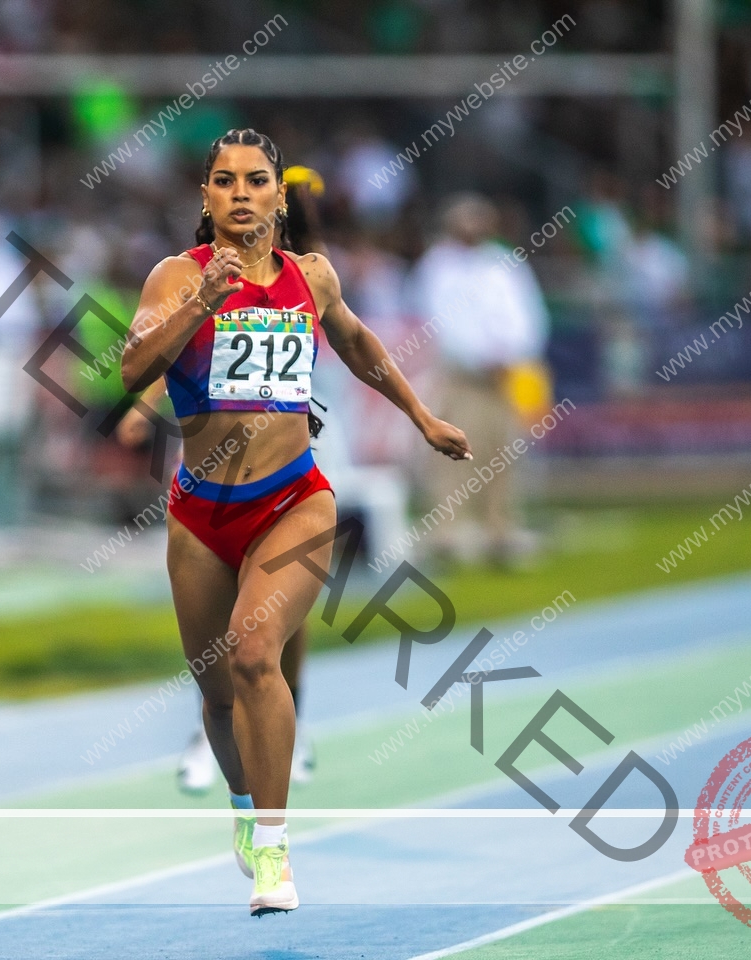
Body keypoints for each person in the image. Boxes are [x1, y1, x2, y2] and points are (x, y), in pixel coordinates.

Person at [121, 130, 470, 916]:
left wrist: (422, 418)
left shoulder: (311, 276)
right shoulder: (174, 276)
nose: (240, 193)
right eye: (223, 181)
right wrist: (200, 305)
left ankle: (275, 853)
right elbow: (133, 368)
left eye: (255, 181)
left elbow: (356, 343)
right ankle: (245, 808)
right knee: (215, 695)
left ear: (281, 196)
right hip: (200, 515)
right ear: (204, 199)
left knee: (253, 656)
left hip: (293, 498)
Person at [119, 168, 331, 795]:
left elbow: (345, 340)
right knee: (222, 654)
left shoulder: (310, 275)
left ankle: (290, 719)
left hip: (291, 461)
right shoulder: (199, 275)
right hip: (214, 480)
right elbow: (189, 352)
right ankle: (216, 726)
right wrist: (144, 404)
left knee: (269, 629)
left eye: (264, 192)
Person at [411, 194, 549, 566]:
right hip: (463, 377)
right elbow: (443, 321)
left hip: (505, 377)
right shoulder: (438, 265)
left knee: (503, 452)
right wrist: (480, 358)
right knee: (455, 451)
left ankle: (499, 527)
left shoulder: (503, 262)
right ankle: (449, 530)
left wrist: (515, 354)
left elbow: (527, 313)